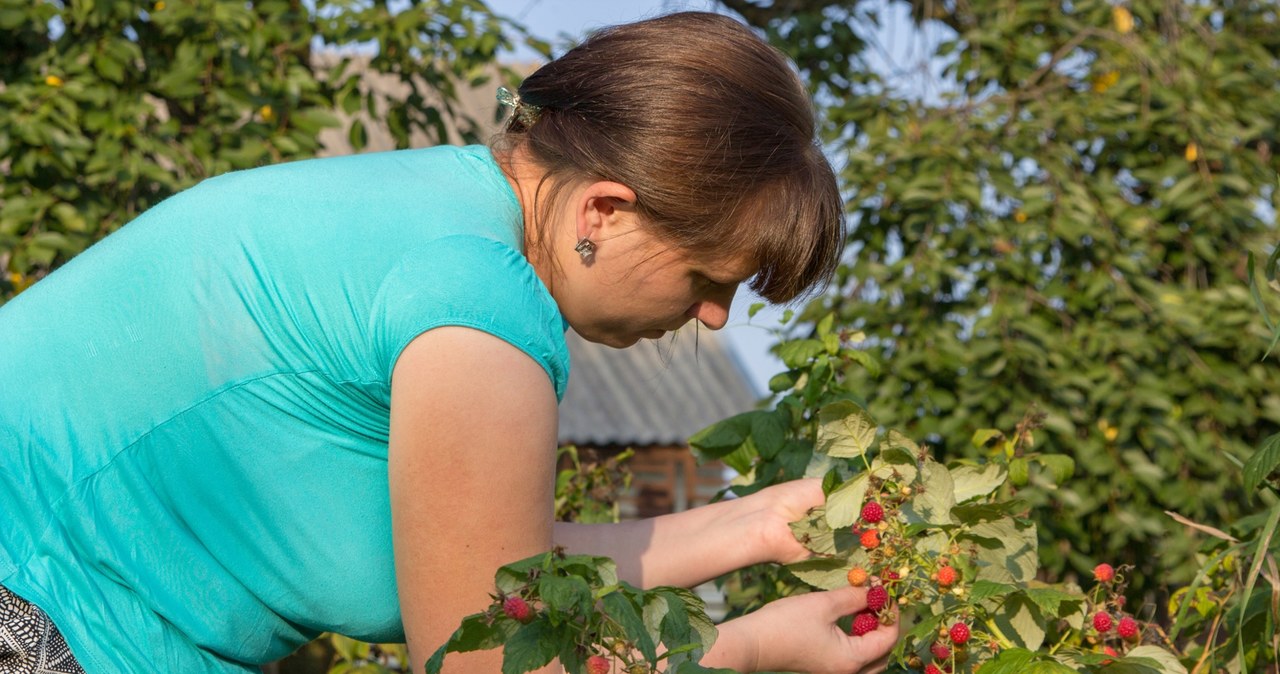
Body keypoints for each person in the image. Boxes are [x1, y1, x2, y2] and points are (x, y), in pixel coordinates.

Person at [0, 11, 898, 674]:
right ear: (605, 212)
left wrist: (753, 524)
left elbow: (488, 557)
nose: (715, 320)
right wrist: (744, 655)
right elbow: (481, 660)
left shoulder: (434, 208)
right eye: (710, 278)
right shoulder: (482, 309)